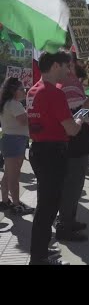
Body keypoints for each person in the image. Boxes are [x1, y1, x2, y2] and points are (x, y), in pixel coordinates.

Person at [27, 51, 83, 265]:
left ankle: (39, 253)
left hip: (40, 150)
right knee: (47, 208)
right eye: (67, 66)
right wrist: (79, 122)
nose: (70, 71)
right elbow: (71, 129)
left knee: (45, 207)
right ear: (55, 66)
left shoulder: (34, 89)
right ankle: (39, 258)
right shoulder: (54, 93)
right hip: (52, 153)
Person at [55, 51, 89, 241]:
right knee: (72, 185)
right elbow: (79, 111)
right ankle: (65, 225)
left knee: (75, 183)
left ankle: (69, 220)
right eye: (76, 63)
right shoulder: (69, 84)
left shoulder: (73, 82)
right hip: (75, 142)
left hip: (77, 142)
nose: (82, 65)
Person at [0, 77, 33, 215]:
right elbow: (23, 121)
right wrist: (31, 112)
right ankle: (16, 204)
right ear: (14, 90)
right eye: (22, 89)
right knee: (14, 176)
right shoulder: (14, 104)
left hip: (11, 140)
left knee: (8, 174)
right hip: (15, 141)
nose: (24, 91)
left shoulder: (7, 103)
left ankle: (5, 201)